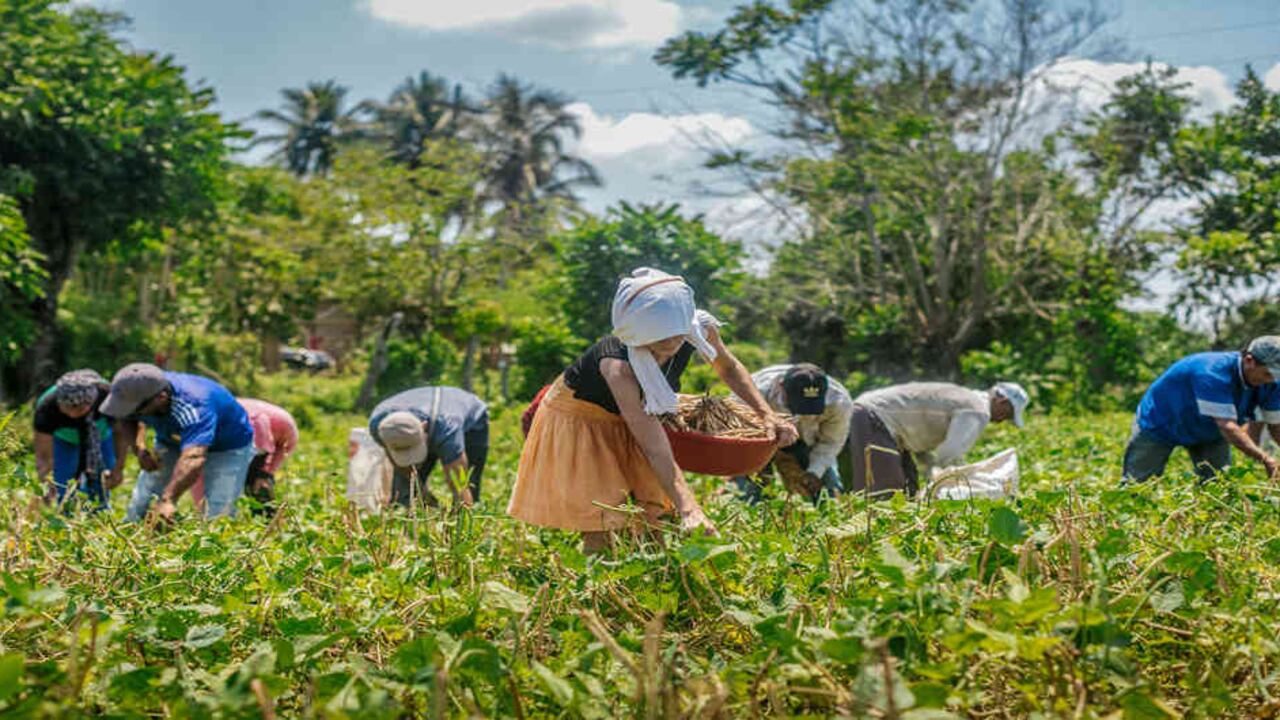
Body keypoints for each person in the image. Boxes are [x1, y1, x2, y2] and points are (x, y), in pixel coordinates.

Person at [507, 267, 799, 553]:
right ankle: (596, 588)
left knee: (654, 517)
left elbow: (729, 367)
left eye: (676, 337)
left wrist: (766, 414)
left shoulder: (699, 330)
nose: (670, 347)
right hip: (582, 419)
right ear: (635, 335)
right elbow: (653, 444)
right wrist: (690, 509)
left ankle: (655, 584)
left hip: (636, 413)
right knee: (605, 519)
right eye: (658, 343)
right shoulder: (617, 367)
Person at [102, 363, 256, 522]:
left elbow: (194, 458)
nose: (130, 412)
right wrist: (139, 449)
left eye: (134, 409)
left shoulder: (193, 406)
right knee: (145, 496)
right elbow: (126, 418)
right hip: (172, 439)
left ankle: (216, 542)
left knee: (219, 510)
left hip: (227, 445)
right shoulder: (138, 391)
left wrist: (168, 500)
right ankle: (132, 532)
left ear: (161, 398)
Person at [1123, 336, 1280, 483]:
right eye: (1267, 374)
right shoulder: (1213, 372)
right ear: (1249, 361)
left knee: (1218, 485)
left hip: (1209, 430)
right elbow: (1227, 426)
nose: (1271, 380)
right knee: (1138, 485)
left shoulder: (1273, 382)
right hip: (1162, 423)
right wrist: (1265, 458)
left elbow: (1276, 427)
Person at [850, 381, 1028, 497]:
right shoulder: (978, 410)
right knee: (886, 491)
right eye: (1008, 414)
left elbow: (923, 445)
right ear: (1002, 401)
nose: (1003, 420)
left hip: (876, 418)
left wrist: (931, 474)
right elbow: (950, 454)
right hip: (874, 417)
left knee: (909, 490)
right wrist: (964, 483)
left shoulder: (967, 398)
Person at [731, 363, 853, 503]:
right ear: (781, 387)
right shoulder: (752, 393)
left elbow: (831, 442)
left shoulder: (838, 403)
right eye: (799, 404)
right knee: (749, 488)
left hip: (808, 440)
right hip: (759, 438)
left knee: (829, 489)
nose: (802, 413)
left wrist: (814, 472)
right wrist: (755, 462)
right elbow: (737, 434)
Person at [368, 386, 489, 509]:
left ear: (424, 428)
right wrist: (424, 495)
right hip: (429, 415)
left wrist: (463, 513)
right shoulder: (380, 428)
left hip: (472, 422)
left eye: (412, 451)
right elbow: (403, 468)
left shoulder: (447, 429)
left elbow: (460, 484)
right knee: (404, 496)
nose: (410, 459)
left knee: (467, 489)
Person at [190, 398, 298, 517]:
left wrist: (266, 473)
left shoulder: (252, 423)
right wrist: (201, 507)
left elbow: (279, 448)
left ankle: (268, 520)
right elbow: (198, 474)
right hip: (260, 428)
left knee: (257, 484)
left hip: (267, 426)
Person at [31, 369, 116, 512]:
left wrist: (118, 467)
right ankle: (66, 517)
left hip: (100, 436)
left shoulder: (108, 397)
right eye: (66, 407)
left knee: (101, 478)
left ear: (90, 403)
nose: (71, 413)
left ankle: (99, 514)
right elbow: (43, 457)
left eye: (77, 408)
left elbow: (122, 430)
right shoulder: (46, 408)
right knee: (62, 483)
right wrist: (45, 482)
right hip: (64, 439)